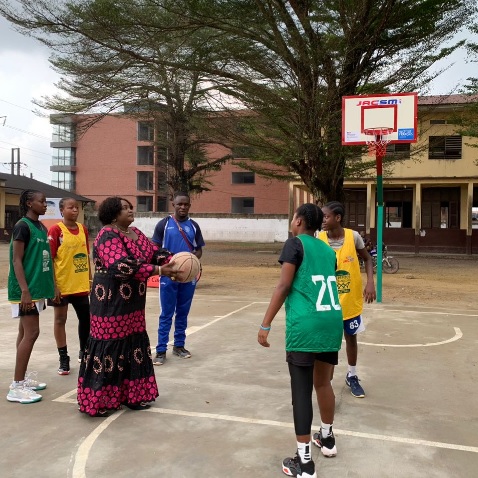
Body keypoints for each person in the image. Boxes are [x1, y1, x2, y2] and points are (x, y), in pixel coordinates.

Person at [258, 203, 343, 478]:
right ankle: (327, 439)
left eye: (292, 217)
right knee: (324, 383)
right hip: (331, 322)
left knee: (301, 392)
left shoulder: (294, 245)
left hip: (306, 327)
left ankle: (304, 464)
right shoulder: (328, 251)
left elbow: (283, 286)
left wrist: (265, 323)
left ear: (298, 221)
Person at [77, 197, 177, 417]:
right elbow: (121, 265)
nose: (130, 210)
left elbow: (154, 252)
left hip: (133, 302)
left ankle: (133, 396)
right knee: (109, 346)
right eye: (124, 208)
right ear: (113, 214)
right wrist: (159, 271)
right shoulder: (107, 235)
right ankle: (100, 401)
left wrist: (174, 260)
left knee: (133, 344)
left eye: (130, 207)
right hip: (110, 302)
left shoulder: (137, 233)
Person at [317, 202, 376, 399]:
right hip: (327, 299)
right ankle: (328, 380)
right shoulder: (319, 237)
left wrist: (370, 284)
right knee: (329, 341)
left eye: (326, 216)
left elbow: (367, 258)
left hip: (350, 298)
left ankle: (352, 375)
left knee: (351, 337)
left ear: (338, 218)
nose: (323, 220)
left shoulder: (353, 236)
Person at [7, 189, 55, 404]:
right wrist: (25, 291)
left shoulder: (40, 226)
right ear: (29, 203)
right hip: (26, 291)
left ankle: (21, 378)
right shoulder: (22, 226)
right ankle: (16, 387)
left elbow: (45, 259)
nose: (45, 205)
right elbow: (17, 260)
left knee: (23, 332)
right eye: (42, 201)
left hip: (37, 289)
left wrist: (54, 286)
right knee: (32, 333)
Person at [151, 192, 205, 365]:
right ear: (173, 204)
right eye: (179, 204)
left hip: (188, 277)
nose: (183, 207)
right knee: (166, 313)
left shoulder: (194, 226)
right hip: (169, 276)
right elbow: (155, 248)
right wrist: (168, 261)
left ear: (189, 206)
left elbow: (199, 250)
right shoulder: (164, 224)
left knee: (183, 312)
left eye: (186, 205)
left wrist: (190, 261)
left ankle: (179, 346)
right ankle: (160, 350)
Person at [48, 197, 91, 376]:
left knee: (86, 319)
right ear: (62, 210)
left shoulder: (83, 229)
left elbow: (86, 255)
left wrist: (90, 277)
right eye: (70, 207)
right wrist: (53, 286)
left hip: (80, 285)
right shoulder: (56, 230)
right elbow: (49, 259)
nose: (75, 210)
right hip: (62, 285)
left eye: (77, 207)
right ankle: (63, 358)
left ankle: (85, 352)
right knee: (60, 320)